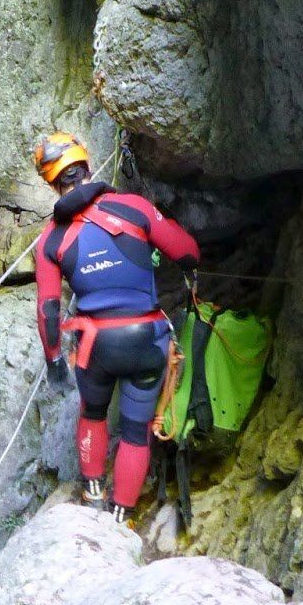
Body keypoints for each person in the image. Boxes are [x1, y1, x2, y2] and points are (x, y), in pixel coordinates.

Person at [33, 131, 200, 522]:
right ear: (86, 165)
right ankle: (121, 513)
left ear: (52, 183)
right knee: (136, 430)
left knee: (93, 414)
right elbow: (187, 251)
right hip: (146, 339)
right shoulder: (133, 207)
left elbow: (48, 309)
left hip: (96, 346)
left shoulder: (50, 240)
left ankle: (93, 492)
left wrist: (54, 360)